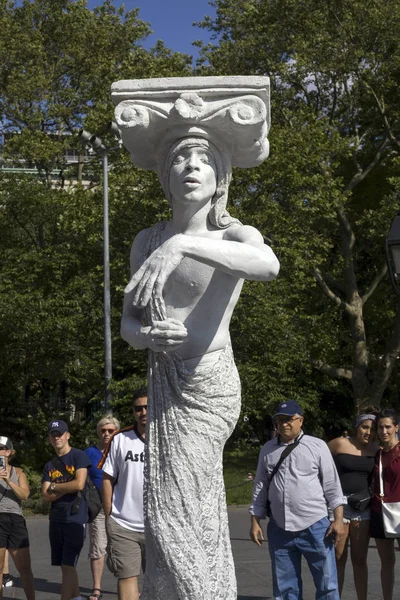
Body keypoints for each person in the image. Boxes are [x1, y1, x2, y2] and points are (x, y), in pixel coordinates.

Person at [121, 134, 280, 599]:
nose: (191, 167)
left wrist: (184, 248)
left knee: (178, 506)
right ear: (165, 179)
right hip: (165, 379)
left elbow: (267, 265)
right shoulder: (147, 240)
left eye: (204, 160)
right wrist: (147, 336)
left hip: (209, 385)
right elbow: (129, 323)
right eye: (179, 160)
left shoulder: (234, 234)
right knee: (177, 505)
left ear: (220, 178)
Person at [249, 400, 346, 600]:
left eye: (289, 419)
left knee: (327, 586)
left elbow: (332, 486)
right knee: (285, 590)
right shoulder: (267, 449)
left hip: (315, 526)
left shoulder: (317, 446)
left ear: (300, 420)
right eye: (280, 420)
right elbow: (260, 486)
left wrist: (338, 520)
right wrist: (255, 521)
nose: (284, 424)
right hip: (279, 528)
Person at [99, 389, 146, 600]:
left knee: (161, 579)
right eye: (138, 408)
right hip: (123, 524)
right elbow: (107, 477)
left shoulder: (168, 438)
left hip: (160, 526)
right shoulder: (120, 439)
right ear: (133, 411)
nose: (143, 412)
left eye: (147, 407)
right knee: (126, 576)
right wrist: (109, 514)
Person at [328, 411, 379, 599]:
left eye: (372, 429)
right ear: (357, 426)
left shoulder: (375, 449)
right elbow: (318, 459)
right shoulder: (340, 443)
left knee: (360, 560)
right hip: (338, 507)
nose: (368, 432)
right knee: (338, 559)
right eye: (365, 427)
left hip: (362, 508)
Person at [41, 420, 91, 600]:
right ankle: (76, 597)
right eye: (53, 435)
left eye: (60, 434)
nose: (57, 437)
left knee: (69, 563)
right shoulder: (50, 465)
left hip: (75, 517)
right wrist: (62, 488)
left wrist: (55, 486)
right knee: (64, 564)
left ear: (68, 435)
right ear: (49, 439)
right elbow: (45, 495)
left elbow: (79, 484)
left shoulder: (79, 456)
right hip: (56, 518)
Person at [84, 415, 120, 600]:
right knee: (98, 547)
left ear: (117, 432)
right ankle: (96, 588)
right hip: (98, 507)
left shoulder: (123, 449)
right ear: (98, 432)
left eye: (110, 431)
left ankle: (128, 586)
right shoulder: (89, 453)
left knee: (126, 547)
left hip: (123, 507)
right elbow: (80, 477)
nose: (106, 434)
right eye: (103, 430)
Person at [0, 436, 35, 600]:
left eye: (1, 448)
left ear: (8, 452)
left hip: (15, 520)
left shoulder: (18, 471)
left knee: (24, 568)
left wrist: (8, 480)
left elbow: (25, 495)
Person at [370, 408, 400, 600]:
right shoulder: (377, 455)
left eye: (388, 426)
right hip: (380, 511)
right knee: (386, 563)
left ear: (396, 427)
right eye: (380, 427)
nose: (384, 431)